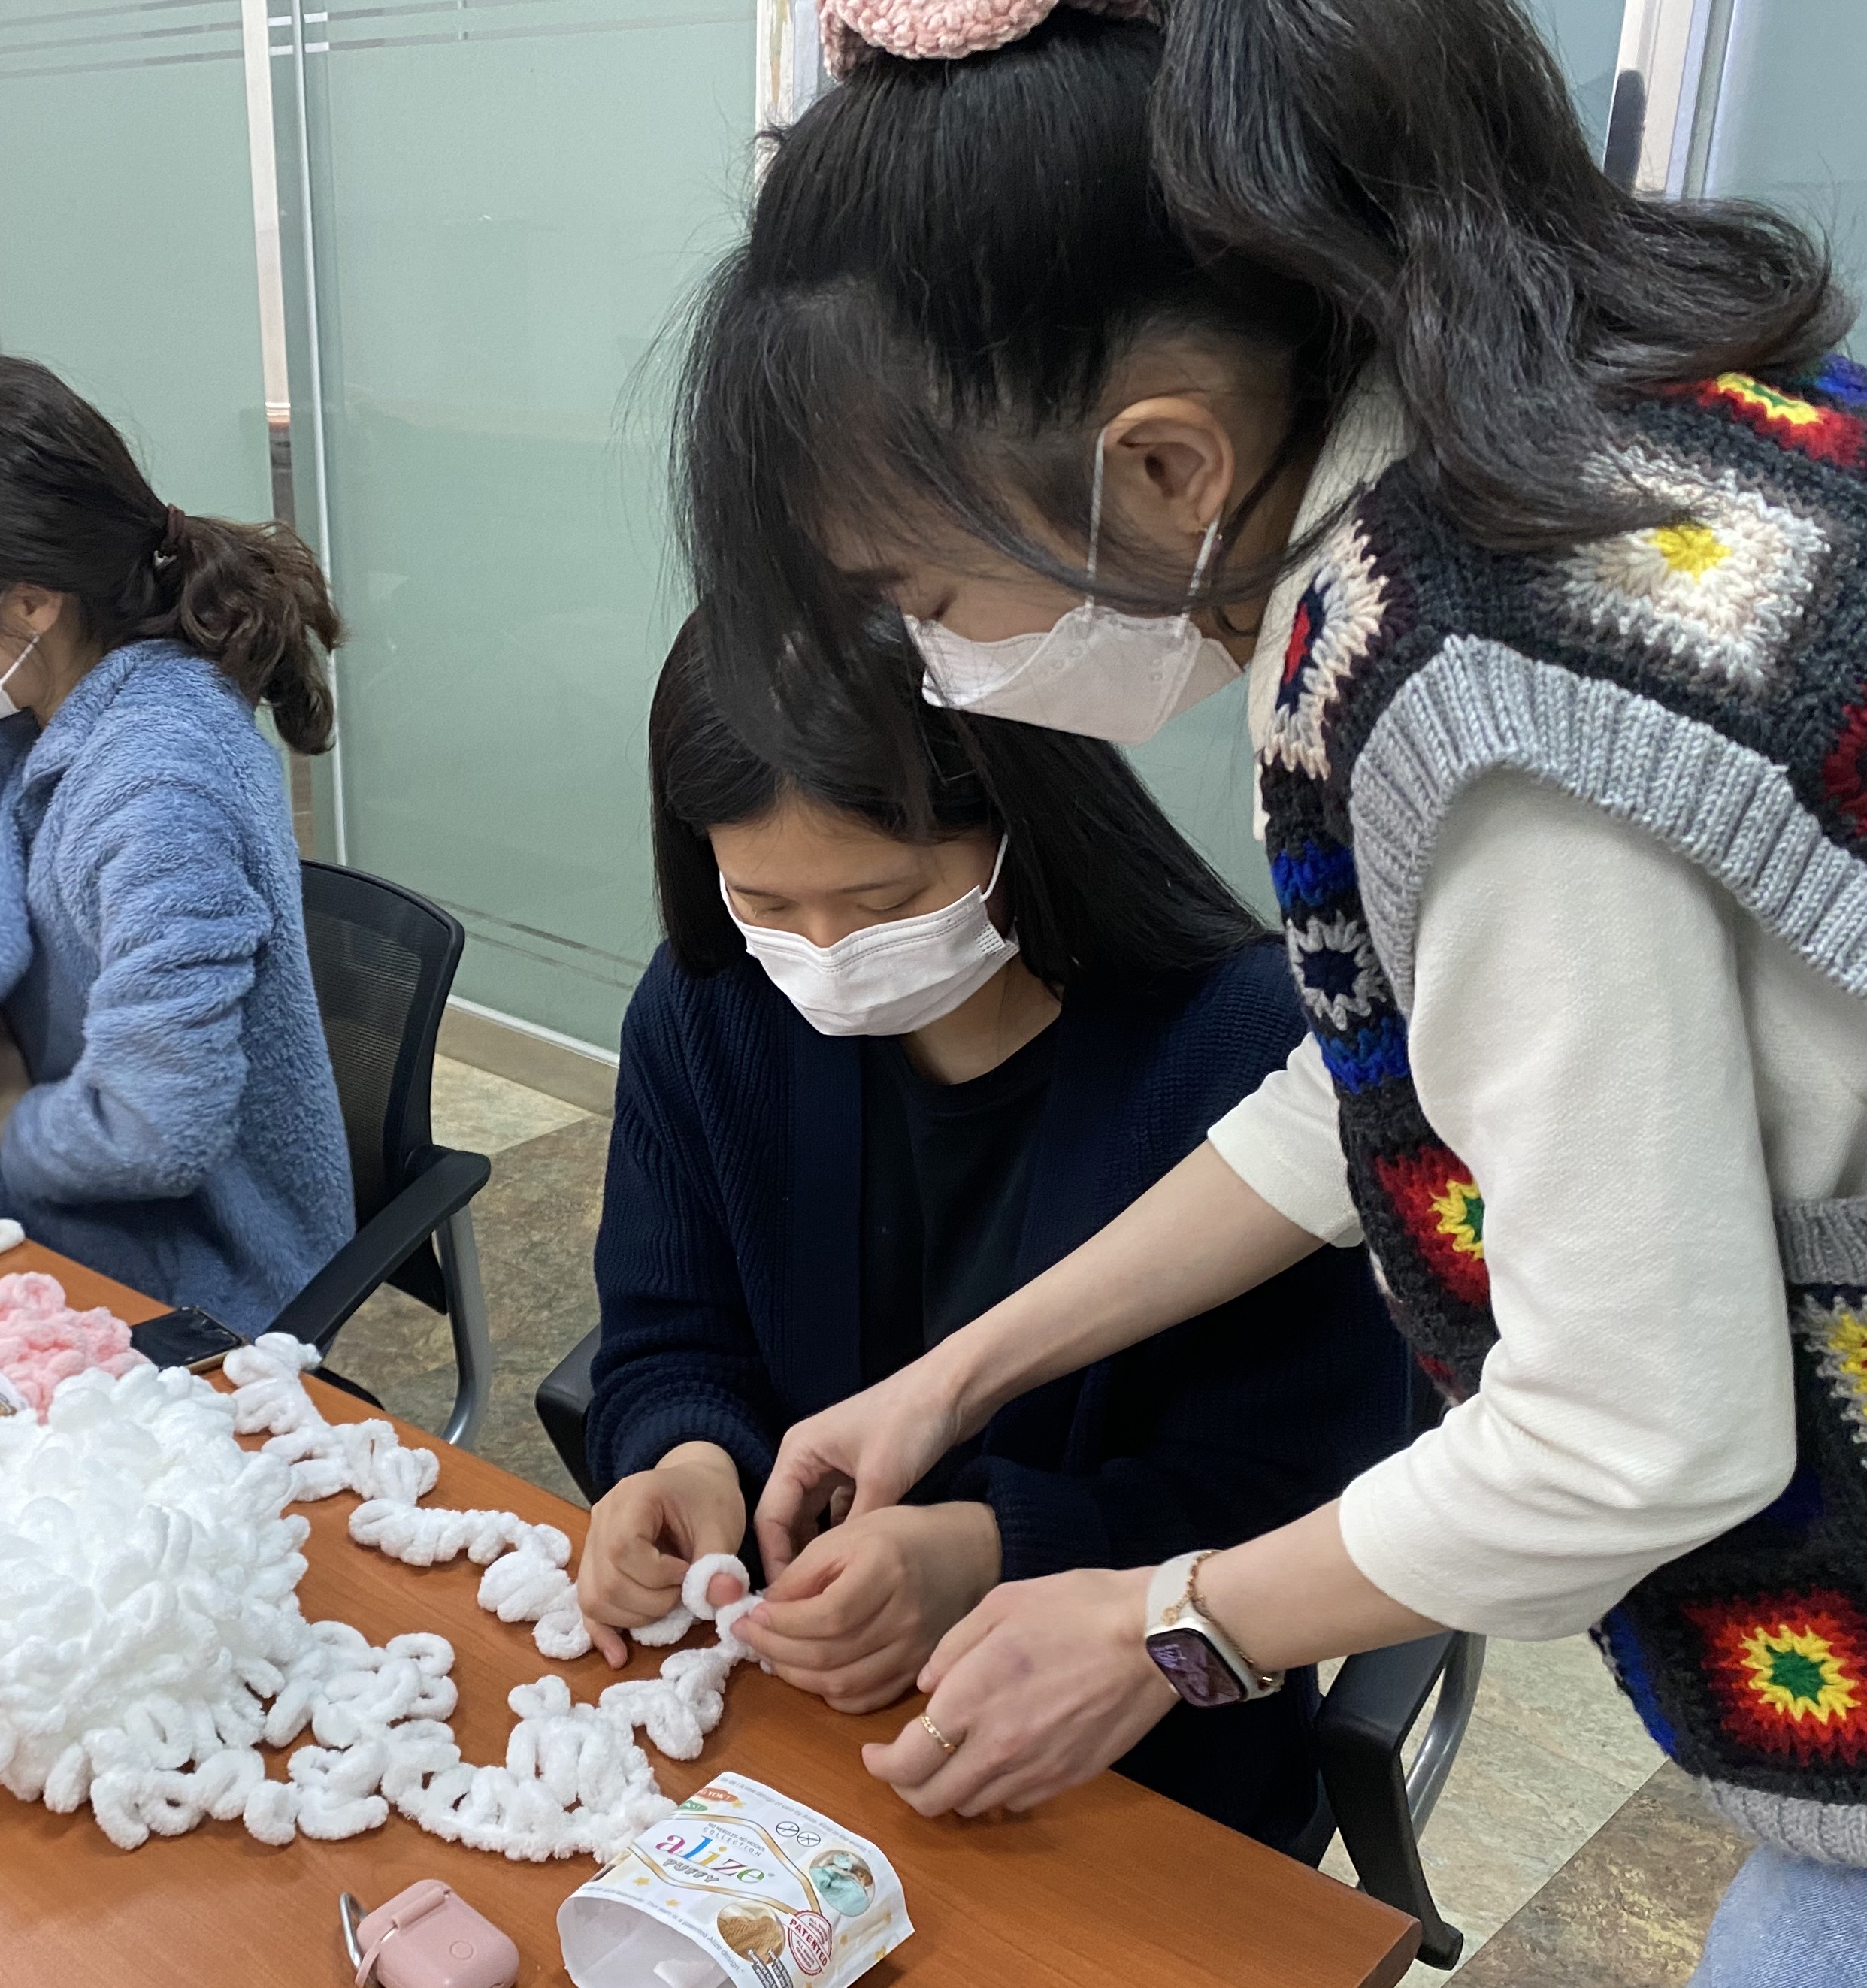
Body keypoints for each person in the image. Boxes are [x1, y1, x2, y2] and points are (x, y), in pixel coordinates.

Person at [682, 2, 1867, 1988]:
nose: (940, 665)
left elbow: (1627, 1440)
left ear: (1163, 467)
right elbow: (1394, 1084)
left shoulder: (1479, 668)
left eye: (927, 599)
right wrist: (957, 1375)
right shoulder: (1618, 433)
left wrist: (1170, 1627)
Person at [573, 620, 1405, 1850]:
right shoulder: (716, 1009)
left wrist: (992, 1549)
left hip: (1124, 1758)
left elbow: (1308, 1493)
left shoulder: (1249, 1057)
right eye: (764, 901)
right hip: (788, 1715)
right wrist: (687, 1461)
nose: (824, 955)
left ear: (1025, 820)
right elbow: (667, 1333)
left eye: (885, 901)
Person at [0, 353, 353, 1333]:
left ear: (30, 601)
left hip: (184, 1271)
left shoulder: (160, 786)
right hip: (16, 1204)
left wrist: (2, 1114)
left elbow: (157, 1128)